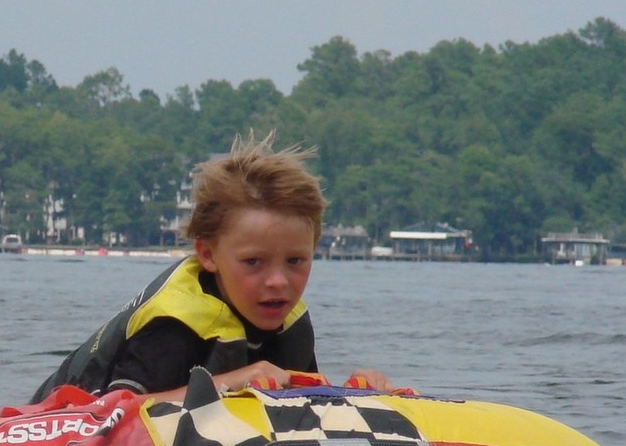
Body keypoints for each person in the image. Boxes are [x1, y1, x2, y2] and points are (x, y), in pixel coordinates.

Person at [31, 131, 392, 404]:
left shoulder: (292, 322)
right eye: (253, 262)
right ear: (208, 255)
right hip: (53, 437)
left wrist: (354, 393)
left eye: (295, 261)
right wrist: (232, 382)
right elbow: (117, 411)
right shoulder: (174, 324)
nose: (278, 281)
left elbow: (297, 405)